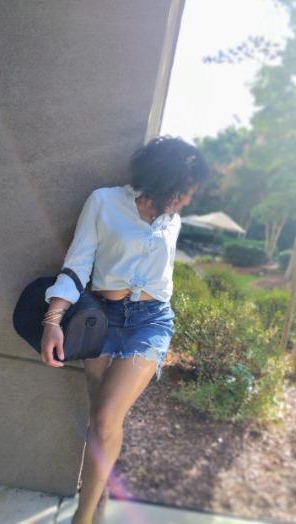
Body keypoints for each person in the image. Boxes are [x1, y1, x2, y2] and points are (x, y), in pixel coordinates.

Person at [40, 135, 209, 524]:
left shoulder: (173, 220)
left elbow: (162, 277)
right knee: (102, 416)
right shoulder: (104, 202)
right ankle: (98, 500)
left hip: (150, 321)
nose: (187, 200)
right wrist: (53, 320)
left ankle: (82, 518)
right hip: (101, 318)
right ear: (163, 179)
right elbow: (77, 264)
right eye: (184, 191)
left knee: (105, 417)